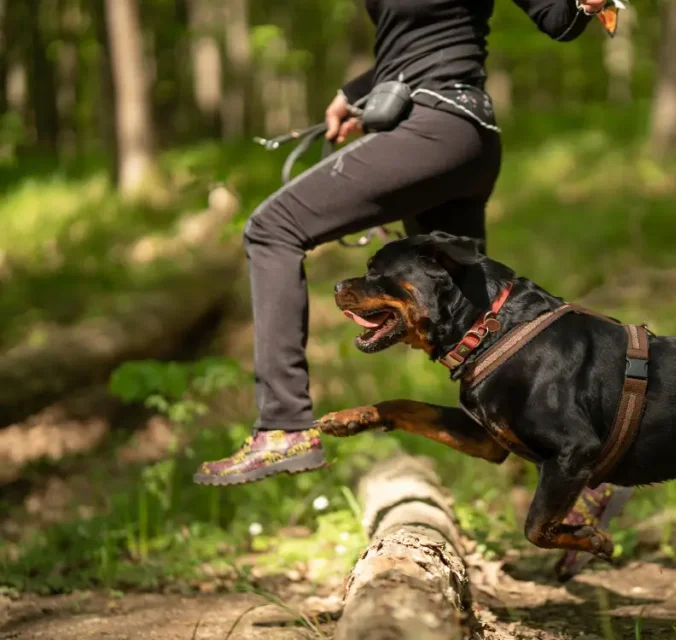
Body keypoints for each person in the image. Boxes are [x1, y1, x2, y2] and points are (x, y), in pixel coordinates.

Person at [194, 0, 631, 580]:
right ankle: (594, 475)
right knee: (480, 347)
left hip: (441, 129)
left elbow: (555, 15)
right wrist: (358, 92)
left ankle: (283, 424)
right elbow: (416, 36)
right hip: (447, 132)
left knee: (272, 228)